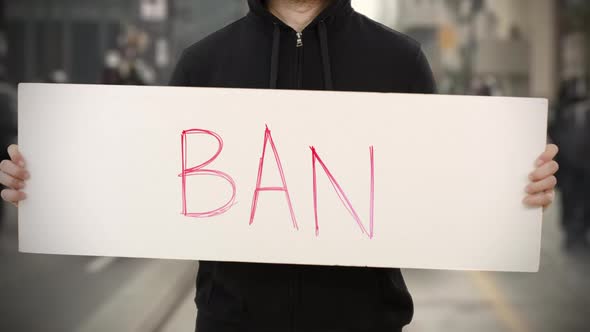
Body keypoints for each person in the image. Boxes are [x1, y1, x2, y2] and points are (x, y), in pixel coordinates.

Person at [0, 1, 560, 331]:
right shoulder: (203, 63)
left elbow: (439, 188)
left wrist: (514, 190)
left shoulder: (401, 60)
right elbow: (149, 182)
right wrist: (49, 183)